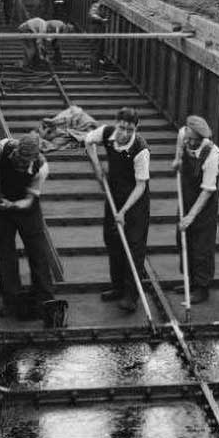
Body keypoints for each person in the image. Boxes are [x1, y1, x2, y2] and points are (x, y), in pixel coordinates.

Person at [0, 133, 64, 328]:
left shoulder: (41, 167)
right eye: (19, 159)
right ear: (15, 151)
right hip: (1, 203)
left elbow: (30, 200)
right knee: (5, 253)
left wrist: (12, 205)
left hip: (26, 207)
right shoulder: (2, 148)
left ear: (34, 158)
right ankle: (11, 300)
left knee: (38, 252)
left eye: (26, 161)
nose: (21, 164)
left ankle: (45, 300)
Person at [84, 107, 151, 313]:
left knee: (133, 246)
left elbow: (141, 186)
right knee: (112, 239)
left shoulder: (141, 150)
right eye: (122, 128)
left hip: (135, 201)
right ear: (117, 124)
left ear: (135, 129)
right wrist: (97, 167)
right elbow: (88, 141)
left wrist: (123, 212)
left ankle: (131, 296)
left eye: (130, 130)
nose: (124, 133)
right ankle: (117, 287)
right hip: (114, 194)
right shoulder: (107, 133)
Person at [171, 115, 219, 304]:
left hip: (204, 205)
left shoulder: (212, 154)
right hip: (186, 196)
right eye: (188, 138)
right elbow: (180, 140)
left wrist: (190, 217)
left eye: (193, 140)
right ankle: (189, 281)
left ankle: (202, 288)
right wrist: (177, 159)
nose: (189, 142)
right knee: (182, 240)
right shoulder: (184, 134)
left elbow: (207, 191)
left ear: (202, 139)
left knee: (202, 246)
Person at [88, 0, 110, 71]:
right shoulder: (95, 6)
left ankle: (95, 67)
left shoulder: (97, 6)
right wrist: (102, 20)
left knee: (97, 48)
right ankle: (94, 69)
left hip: (97, 28)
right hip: (96, 29)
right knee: (96, 48)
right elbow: (93, 15)